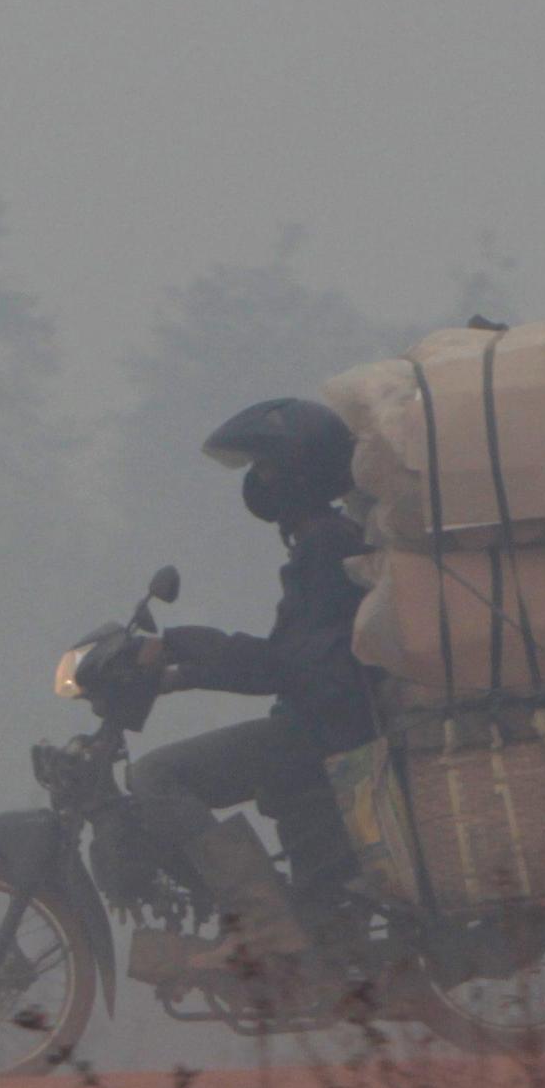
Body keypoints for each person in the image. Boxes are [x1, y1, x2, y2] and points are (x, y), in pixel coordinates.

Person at [128, 397, 377, 972]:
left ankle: (263, 926)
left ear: (299, 473)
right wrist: (182, 675)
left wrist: (180, 646)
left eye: (265, 469)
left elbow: (281, 666)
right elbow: (290, 661)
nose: (257, 484)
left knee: (156, 775)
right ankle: (292, 918)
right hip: (319, 721)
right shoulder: (322, 543)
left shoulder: (328, 548)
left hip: (321, 732)